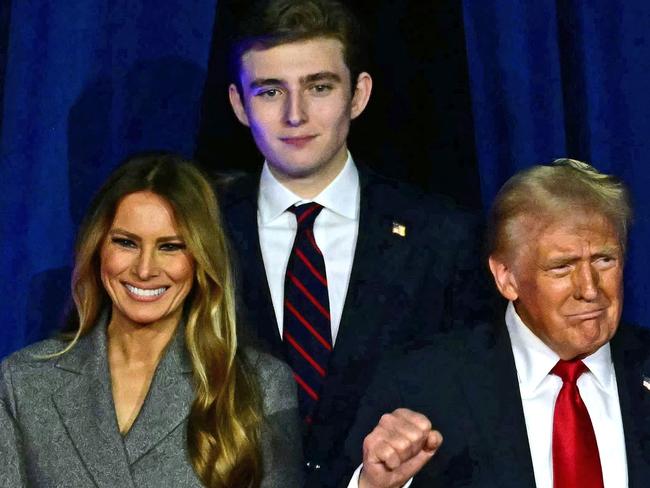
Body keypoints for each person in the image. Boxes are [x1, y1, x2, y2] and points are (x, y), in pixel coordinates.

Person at [222, 1, 495, 484]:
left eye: (319, 87)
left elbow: (474, 404)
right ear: (240, 105)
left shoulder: (442, 237)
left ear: (358, 94)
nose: (295, 115)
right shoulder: (200, 231)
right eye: (270, 91)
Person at [0, 153, 303, 487]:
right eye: (126, 243)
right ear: (99, 247)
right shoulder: (24, 382)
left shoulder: (261, 386)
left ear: (200, 259)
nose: (144, 270)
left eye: (170, 247)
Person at [343, 159, 650, 487]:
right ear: (506, 278)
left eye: (605, 260)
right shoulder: (424, 386)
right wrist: (373, 486)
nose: (590, 289)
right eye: (562, 267)